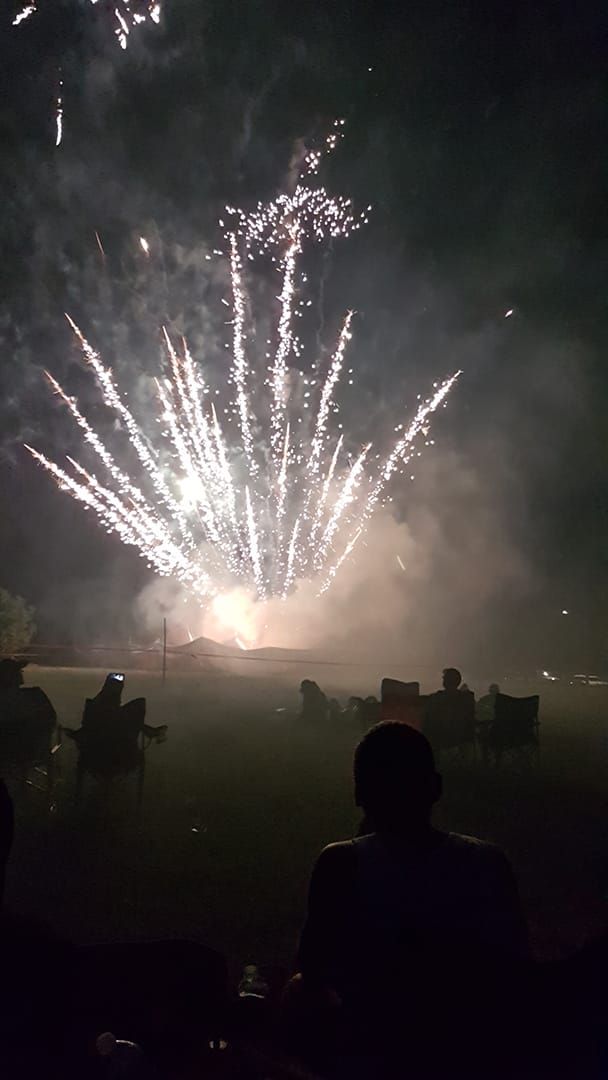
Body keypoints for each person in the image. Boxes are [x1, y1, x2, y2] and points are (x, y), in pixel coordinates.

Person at [289, 722, 529, 1076]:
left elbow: (312, 973)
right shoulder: (488, 861)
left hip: (371, 1054)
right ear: (435, 788)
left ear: (359, 793)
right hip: (472, 1053)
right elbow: (517, 971)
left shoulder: (341, 863)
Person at [65, 673, 167, 748]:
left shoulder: (94, 710)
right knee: (135, 709)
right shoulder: (124, 717)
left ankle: (150, 731)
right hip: (121, 750)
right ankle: (150, 731)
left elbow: (86, 726)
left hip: (96, 751)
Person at [0, 658, 56, 738]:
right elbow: (50, 721)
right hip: (30, 745)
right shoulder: (34, 696)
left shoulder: (33, 695)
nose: (21, 673)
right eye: (18, 671)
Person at [425, 666, 475, 751]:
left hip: (441, 739)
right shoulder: (467, 699)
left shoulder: (437, 698)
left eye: (444, 678)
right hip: (461, 740)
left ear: (446, 681)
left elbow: (429, 720)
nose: (443, 680)